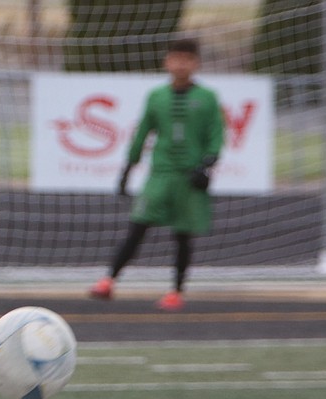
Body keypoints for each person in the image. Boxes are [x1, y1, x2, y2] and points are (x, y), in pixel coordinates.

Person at [89, 38, 225, 312]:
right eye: (176, 58)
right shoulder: (156, 96)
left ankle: (176, 291)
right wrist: (128, 168)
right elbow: (142, 133)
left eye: (187, 59)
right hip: (160, 173)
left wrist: (207, 163)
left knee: (183, 235)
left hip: (189, 176)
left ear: (196, 64)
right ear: (166, 62)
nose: (180, 64)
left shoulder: (207, 98)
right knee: (138, 225)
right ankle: (108, 280)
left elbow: (216, 134)